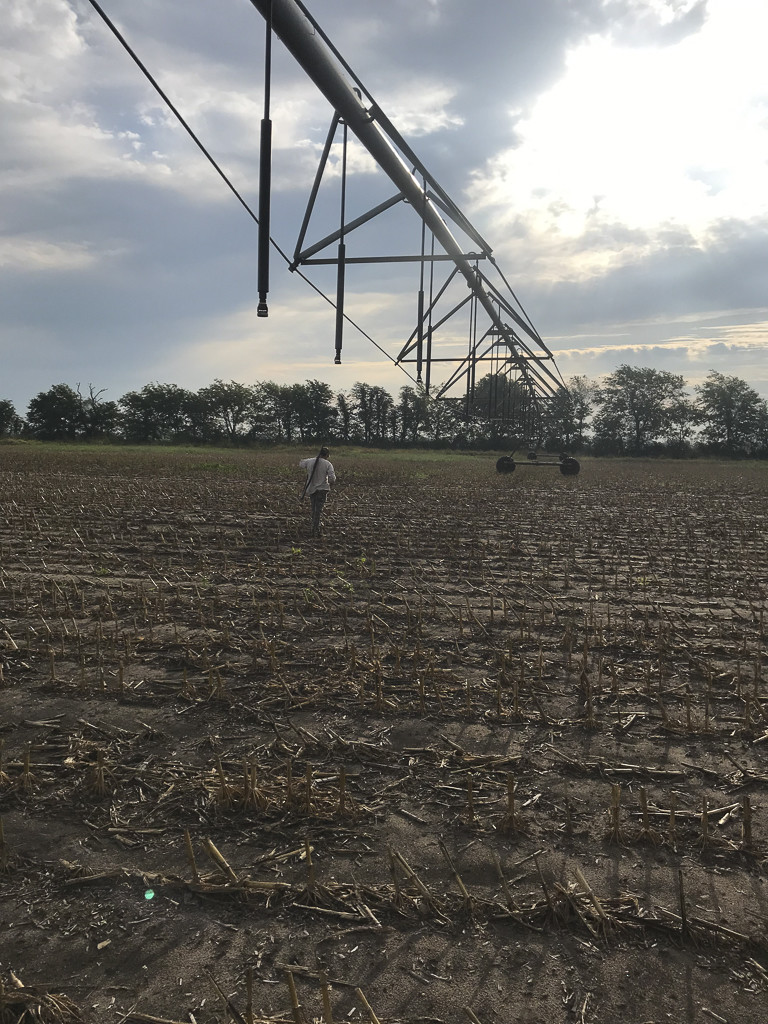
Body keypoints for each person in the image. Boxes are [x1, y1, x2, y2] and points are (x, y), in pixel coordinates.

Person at [298, 446, 336, 537]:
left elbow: (301, 463)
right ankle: (315, 529)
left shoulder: (310, 461)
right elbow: (332, 478)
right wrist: (331, 484)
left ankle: (314, 527)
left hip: (312, 489)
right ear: (327, 455)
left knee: (314, 509)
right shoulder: (328, 464)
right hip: (322, 489)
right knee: (318, 510)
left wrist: (311, 461)